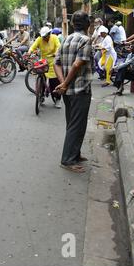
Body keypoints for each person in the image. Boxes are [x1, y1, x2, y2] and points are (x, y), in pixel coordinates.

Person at [54, 10, 93, 173]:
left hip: (68, 90)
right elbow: (77, 64)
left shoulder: (66, 39)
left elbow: (56, 63)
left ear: (71, 24)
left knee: (75, 123)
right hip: (79, 89)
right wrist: (66, 84)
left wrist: (63, 84)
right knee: (76, 125)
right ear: (88, 25)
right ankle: (68, 160)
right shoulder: (85, 40)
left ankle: (75, 154)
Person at [28, 26, 62, 108]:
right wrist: (29, 52)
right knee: (41, 78)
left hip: (53, 62)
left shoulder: (54, 38)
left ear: (49, 34)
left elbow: (59, 47)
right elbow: (33, 46)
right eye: (43, 36)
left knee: (54, 82)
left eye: (45, 36)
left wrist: (56, 53)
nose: (44, 38)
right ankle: (41, 96)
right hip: (43, 62)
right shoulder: (39, 39)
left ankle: (57, 99)